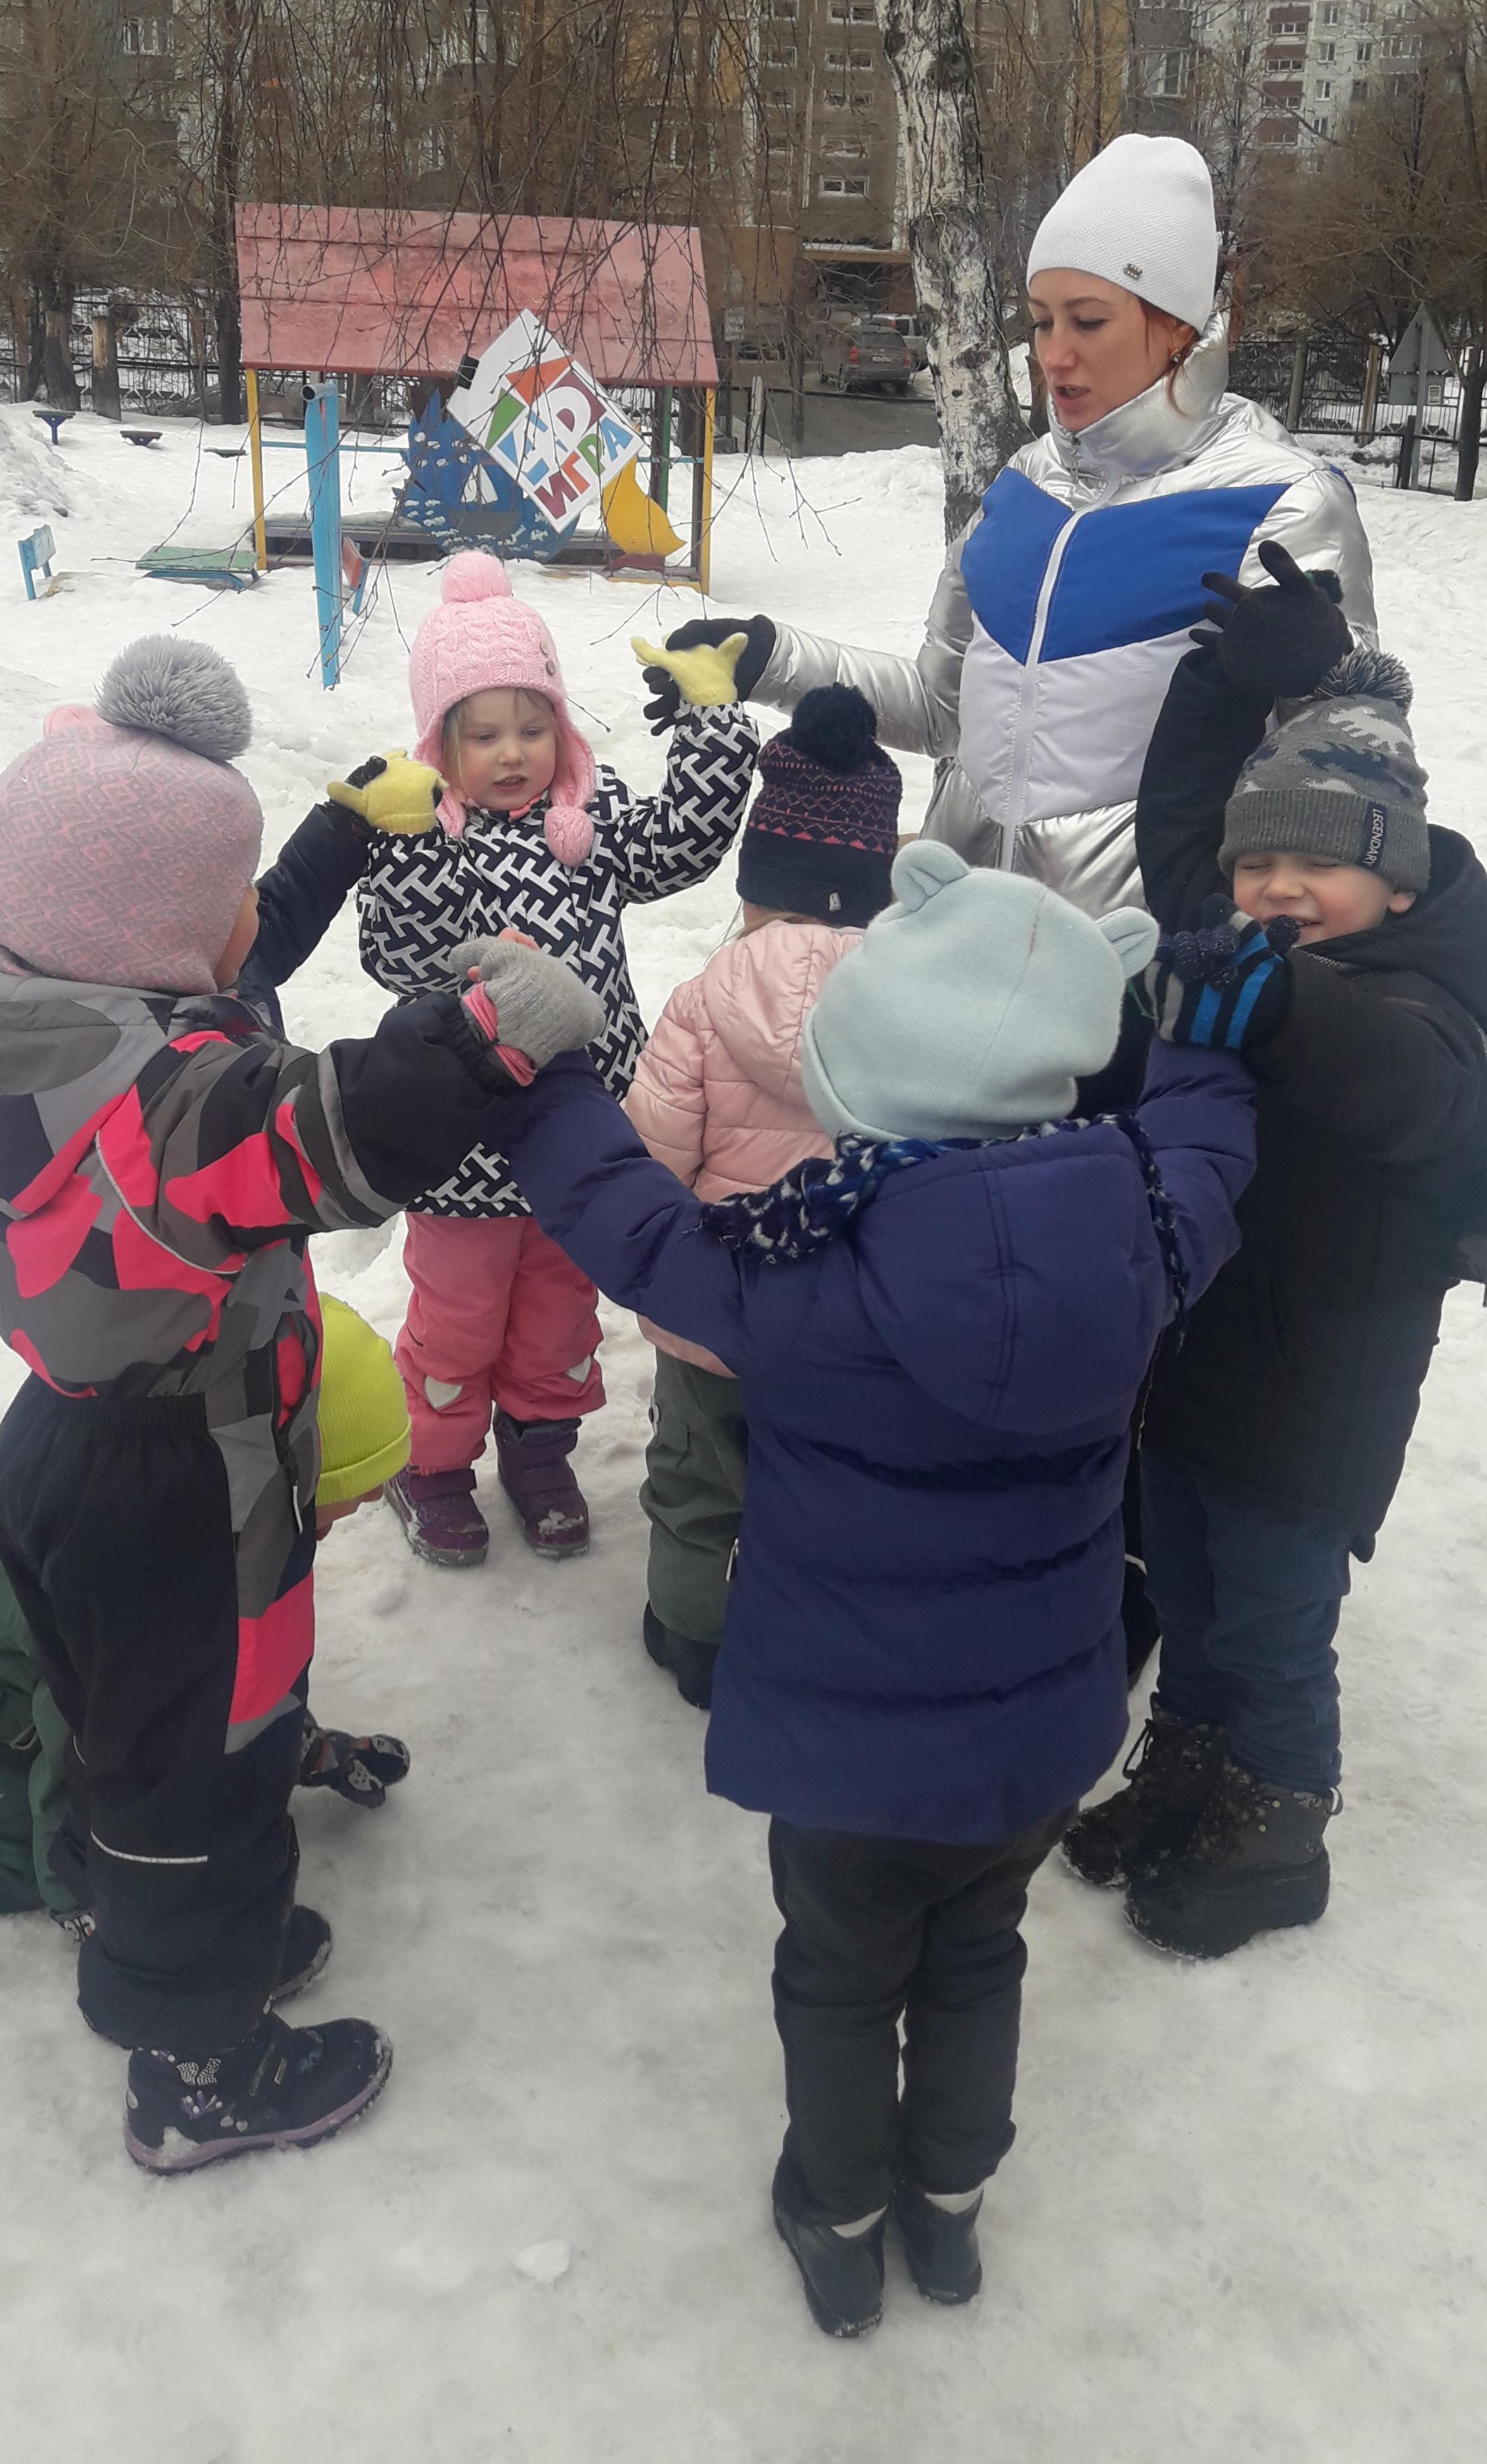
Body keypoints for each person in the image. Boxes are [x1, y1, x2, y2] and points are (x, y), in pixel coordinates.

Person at [487, 841, 1259, 2336]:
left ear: (854, 1092)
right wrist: (1205, 1056)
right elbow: (1211, 1157)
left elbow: (633, 1222)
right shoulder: (1144, 1238)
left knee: (840, 1980)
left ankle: (836, 2215)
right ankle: (951, 2207)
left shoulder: (801, 1276)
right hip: (1037, 1737)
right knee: (979, 1955)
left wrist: (543, 1078)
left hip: (849, 1756)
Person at [0, 633, 602, 2173]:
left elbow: (235, 982)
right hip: (178, 1483)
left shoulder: (34, 1022)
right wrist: (487, 1031)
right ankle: (197, 2062)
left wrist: (328, 843)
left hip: (79, 1448)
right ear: (146, 932)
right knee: (194, 1767)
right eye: (227, 906)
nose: (249, 932)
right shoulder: (165, 1113)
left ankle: (181, 1911)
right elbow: (332, 1132)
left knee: (146, 1728)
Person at [1064, 546, 1487, 1957]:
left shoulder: (1428, 997)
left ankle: (1282, 1815)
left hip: (1317, 1391)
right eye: (1261, 863)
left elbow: (1399, 1080)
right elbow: (1181, 819)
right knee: (1181, 1580)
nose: (1278, 887)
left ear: (1398, 885)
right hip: (1191, 1361)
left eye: (1317, 864)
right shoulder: (1230, 935)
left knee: (1274, 1614)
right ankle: (1189, 1757)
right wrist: (1224, 678)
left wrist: (1280, 1003)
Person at [657, 133, 1376, 918]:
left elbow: (1354, 771)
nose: (1053, 355)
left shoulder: (1282, 501)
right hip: (958, 936)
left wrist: (1326, 682)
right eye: (1040, 322)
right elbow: (941, 714)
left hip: (1136, 975)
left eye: (1088, 321)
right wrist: (768, 657)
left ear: (1177, 329)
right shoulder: (1021, 486)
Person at [343, 551, 758, 1570]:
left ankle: (538, 1454)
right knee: (457, 1317)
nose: (513, 752)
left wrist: (709, 728)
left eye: (533, 726)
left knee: (559, 1315)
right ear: (439, 739)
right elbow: (399, 956)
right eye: (482, 734)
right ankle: (431, 1465)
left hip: (579, 1140)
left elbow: (680, 848)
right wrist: (401, 849)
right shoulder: (429, 831)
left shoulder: (592, 820)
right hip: (462, 1148)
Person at [0, 1299, 416, 1921]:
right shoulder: (130, 1591)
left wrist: (289, 1748)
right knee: (35, 1852)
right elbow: (90, 1748)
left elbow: (220, 1683)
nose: (337, 1529)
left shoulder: (185, 1497)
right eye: (333, 1510)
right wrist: (93, 1897)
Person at [624, 683, 901, 1707]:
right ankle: (806, 1634)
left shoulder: (703, 1001)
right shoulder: (913, 1007)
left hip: (712, 1317)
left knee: (696, 1483)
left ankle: (691, 1634)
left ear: (756, 880)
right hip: (847, 1326)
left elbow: (651, 1156)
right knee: (822, 1487)